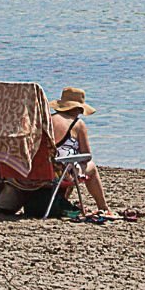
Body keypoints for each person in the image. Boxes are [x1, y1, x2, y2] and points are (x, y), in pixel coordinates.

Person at [49, 87, 112, 218]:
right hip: (60, 173)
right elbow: (86, 155)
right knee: (90, 167)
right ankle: (103, 207)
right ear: (78, 109)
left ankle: (63, 200)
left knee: (71, 162)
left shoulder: (47, 120)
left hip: (42, 170)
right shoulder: (77, 124)